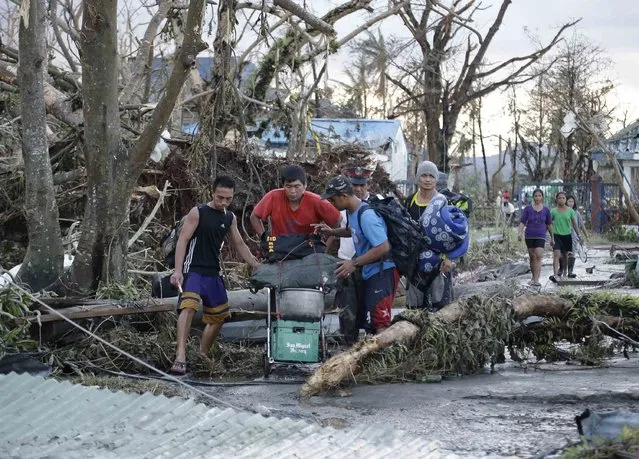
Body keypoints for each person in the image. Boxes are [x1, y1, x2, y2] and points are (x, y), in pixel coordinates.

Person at [169, 176, 260, 375]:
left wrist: (255, 264)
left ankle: (202, 356)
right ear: (212, 192)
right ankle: (181, 354)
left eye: (228, 199)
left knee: (219, 316)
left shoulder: (230, 218)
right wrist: (177, 271)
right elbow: (183, 240)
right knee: (188, 307)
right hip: (193, 269)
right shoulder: (198, 212)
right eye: (220, 197)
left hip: (213, 272)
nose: (223, 202)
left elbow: (239, 244)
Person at [314, 175, 399, 334]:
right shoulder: (353, 211)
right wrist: (332, 231)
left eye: (333, 200)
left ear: (344, 196)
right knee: (370, 322)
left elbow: (383, 247)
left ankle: (387, 356)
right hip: (371, 271)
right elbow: (352, 231)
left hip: (383, 272)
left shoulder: (367, 216)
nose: (331, 203)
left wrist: (354, 263)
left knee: (381, 324)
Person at [250, 164, 340, 259]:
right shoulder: (273, 196)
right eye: (288, 186)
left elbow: (337, 220)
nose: (292, 191)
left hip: (307, 246)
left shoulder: (317, 201)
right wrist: (266, 239)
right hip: (279, 246)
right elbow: (254, 217)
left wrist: (326, 245)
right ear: (283, 185)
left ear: (305, 185)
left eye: (297, 186)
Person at [332, 167, 373, 345]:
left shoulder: (374, 207)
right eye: (354, 185)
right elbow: (346, 231)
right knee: (347, 309)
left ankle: (367, 346)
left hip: (366, 264)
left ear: (368, 185)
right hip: (344, 262)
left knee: (367, 307)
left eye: (362, 185)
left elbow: (382, 244)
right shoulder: (342, 206)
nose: (358, 189)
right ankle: (349, 345)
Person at [404, 161, 452, 310]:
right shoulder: (410, 201)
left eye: (431, 176)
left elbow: (455, 233)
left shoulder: (443, 202)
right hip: (415, 264)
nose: (427, 179)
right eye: (424, 175)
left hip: (439, 264)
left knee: (441, 311)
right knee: (414, 311)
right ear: (418, 177)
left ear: (436, 179)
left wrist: (449, 259)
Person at [518, 188, 553, 287]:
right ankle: (533, 277)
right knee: (532, 257)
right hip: (529, 235)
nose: (537, 198)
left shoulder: (546, 210)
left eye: (539, 196)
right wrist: (519, 233)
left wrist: (553, 238)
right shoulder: (528, 209)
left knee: (538, 255)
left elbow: (549, 224)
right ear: (533, 197)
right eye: (536, 196)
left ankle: (536, 280)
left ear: (542, 197)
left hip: (541, 235)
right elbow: (522, 222)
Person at [549, 191, 581, 283]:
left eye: (563, 198)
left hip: (567, 235)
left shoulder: (570, 211)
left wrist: (579, 235)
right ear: (557, 199)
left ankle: (564, 272)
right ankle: (555, 274)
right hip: (556, 235)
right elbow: (549, 224)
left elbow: (575, 224)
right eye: (559, 198)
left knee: (565, 256)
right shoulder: (553, 211)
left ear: (565, 199)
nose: (561, 200)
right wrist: (551, 237)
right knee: (556, 255)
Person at [560, 195, 588, 278]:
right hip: (563, 235)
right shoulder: (561, 211)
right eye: (569, 201)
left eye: (572, 201)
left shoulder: (576, 212)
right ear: (565, 202)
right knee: (563, 254)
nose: (571, 203)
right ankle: (561, 270)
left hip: (573, 237)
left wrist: (585, 235)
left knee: (571, 253)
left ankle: (570, 271)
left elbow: (581, 225)